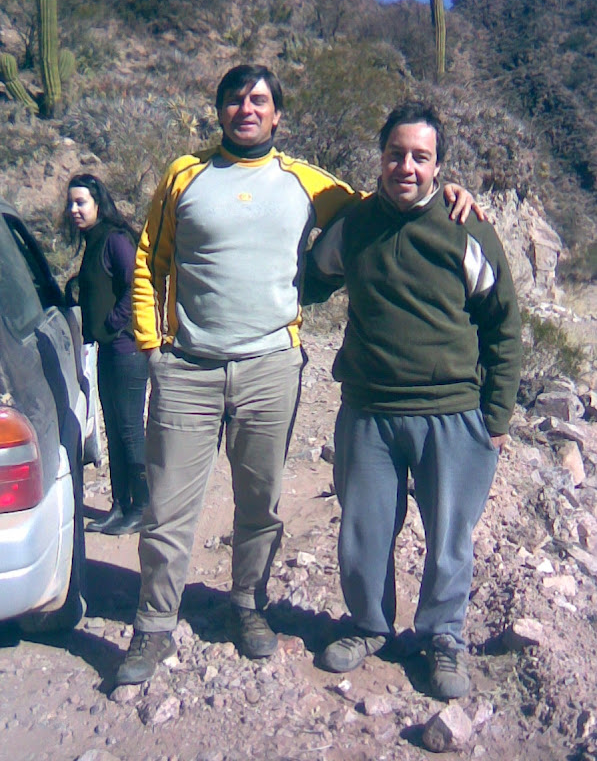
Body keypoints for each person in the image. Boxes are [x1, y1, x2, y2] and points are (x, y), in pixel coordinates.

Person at [115, 65, 482, 687]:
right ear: (219, 109)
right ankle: (153, 625)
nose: (246, 109)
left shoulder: (308, 183)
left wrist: (450, 194)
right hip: (188, 367)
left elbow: (389, 202)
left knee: (260, 503)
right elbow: (151, 256)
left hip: (270, 367)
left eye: (259, 99)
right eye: (235, 99)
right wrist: (153, 347)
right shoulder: (184, 175)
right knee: (168, 507)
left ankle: (248, 605)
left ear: (277, 114)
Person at [305, 103, 522, 699]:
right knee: (364, 528)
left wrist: (497, 416)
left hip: (453, 411)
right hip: (368, 410)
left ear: (438, 166)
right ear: (381, 157)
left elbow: (504, 325)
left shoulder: (465, 229)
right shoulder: (355, 225)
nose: (406, 166)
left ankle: (443, 638)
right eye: (396, 154)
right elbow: (309, 279)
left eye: (420, 157)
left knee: (450, 535)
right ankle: (369, 626)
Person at [64, 174, 149, 536]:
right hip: (108, 349)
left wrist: (113, 323)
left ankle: (142, 507)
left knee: (129, 429)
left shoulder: (115, 239)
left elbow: (137, 284)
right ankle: (120, 505)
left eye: (81, 202)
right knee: (113, 428)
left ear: (98, 203)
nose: (74, 209)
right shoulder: (94, 241)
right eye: (71, 203)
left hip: (127, 349)